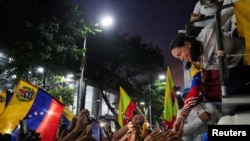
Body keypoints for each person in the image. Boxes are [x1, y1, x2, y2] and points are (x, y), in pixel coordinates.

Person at [169, 4, 250, 136]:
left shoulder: (209, 32)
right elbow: (194, 89)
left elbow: (230, 10)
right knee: (230, 93)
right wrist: (181, 117)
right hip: (235, 70)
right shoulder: (197, 64)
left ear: (187, 44)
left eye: (179, 54)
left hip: (246, 55)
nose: (181, 59)